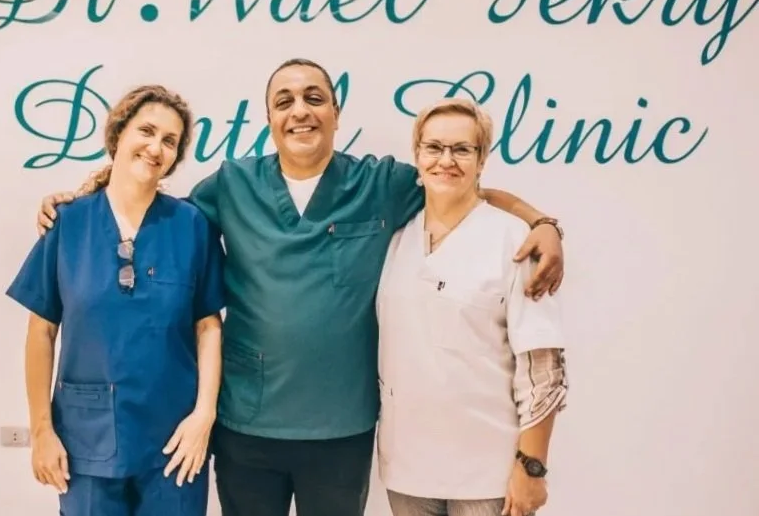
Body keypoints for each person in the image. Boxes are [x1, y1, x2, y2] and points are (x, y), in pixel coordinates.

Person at [34, 59, 566, 516]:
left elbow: (462, 189)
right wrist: (89, 192)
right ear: (269, 119)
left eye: (315, 97)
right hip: (248, 425)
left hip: (341, 427)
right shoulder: (233, 184)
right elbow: (156, 206)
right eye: (283, 100)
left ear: (336, 114)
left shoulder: (379, 183)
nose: (300, 110)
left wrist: (541, 222)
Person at [5, 84, 226, 516]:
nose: (155, 147)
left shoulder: (191, 225)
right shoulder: (68, 222)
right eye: (146, 130)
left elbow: (209, 327)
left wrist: (204, 417)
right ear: (118, 134)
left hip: (174, 440)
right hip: (84, 441)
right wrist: (42, 432)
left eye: (170, 141)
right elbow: (41, 332)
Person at [376, 98, 568, 516]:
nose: (446, 160)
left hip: (489, 474)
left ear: (481, 160)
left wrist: (531, 468)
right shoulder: (396, 237)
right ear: (417, 156)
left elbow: (543, 369)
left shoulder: (515, 241)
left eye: (462, 149)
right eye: (434, 148)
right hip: (407, 468)